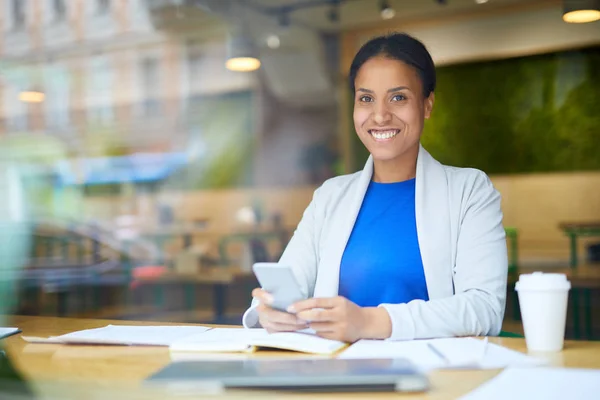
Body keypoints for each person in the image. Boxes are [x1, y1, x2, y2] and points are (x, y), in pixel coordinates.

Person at [243, 32, 508, 342]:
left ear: (427, 105)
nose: (380, 116)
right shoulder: (330, 196)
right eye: (366, 98)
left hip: (435, 377)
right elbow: (286, 287)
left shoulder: (470, 191)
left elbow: (484, 307)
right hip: (337, 375)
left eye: (398, 97)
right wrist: (271, 311)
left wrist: (369, 322)